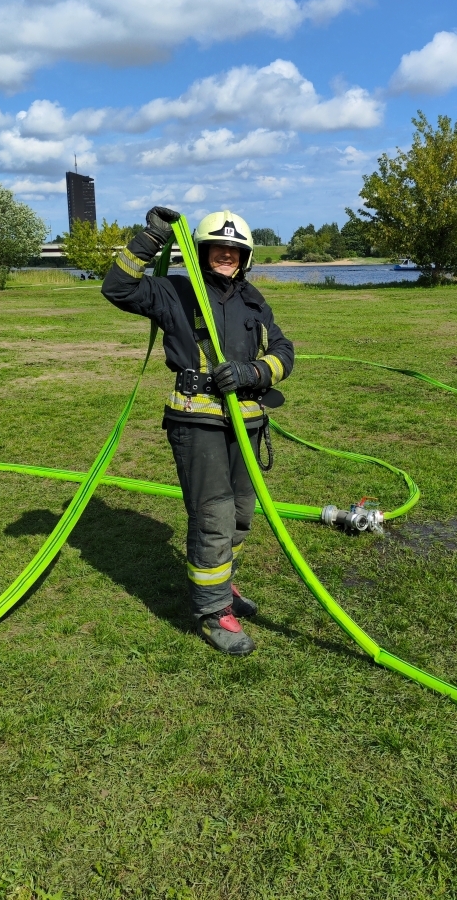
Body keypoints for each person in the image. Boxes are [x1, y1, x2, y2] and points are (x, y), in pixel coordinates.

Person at [101, 207, 294, 656]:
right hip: (197, 420)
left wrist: (254, 372)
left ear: (244, 258)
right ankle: (211, 612)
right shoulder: (175, 291)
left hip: (246, 421)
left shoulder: (253, 301)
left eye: (235, 251)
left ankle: (222, 585)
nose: (226, 256)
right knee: (214, 516)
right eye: (218, 249)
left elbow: (284, 349)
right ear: (203, 252)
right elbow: (118, 286)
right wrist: (150, 237)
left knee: (243, 513)